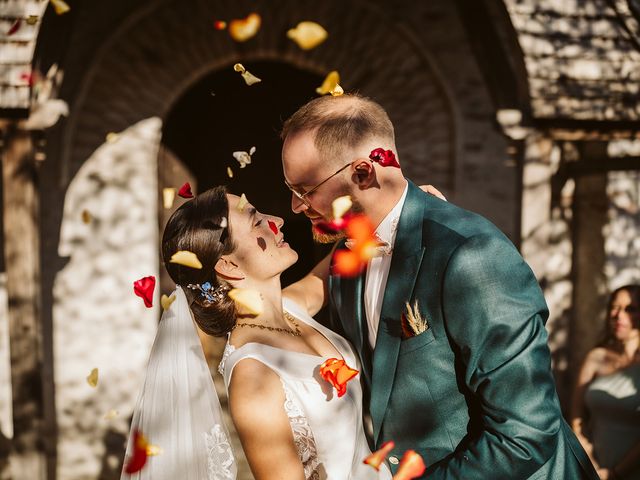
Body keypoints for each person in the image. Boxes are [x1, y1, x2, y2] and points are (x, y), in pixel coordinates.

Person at [280, 93, 600, 479]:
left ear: (365, 173)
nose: (296, 207)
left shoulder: (472, 256)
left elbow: (527, 432)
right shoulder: (347, 257)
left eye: (305, 190)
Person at [122, 186, 391, 479]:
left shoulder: (291, 307)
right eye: (257, 221)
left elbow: (348, 254)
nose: (278, 220)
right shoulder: (252, 377)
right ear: (228, 265)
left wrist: (402, 211)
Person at [571, 285, 640, 479]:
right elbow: (577, 418)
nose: (618, 315)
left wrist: (615, 473)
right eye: (615, 307)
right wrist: (589, 462)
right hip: (592, 470)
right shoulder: (596, 357)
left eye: (630, 309)